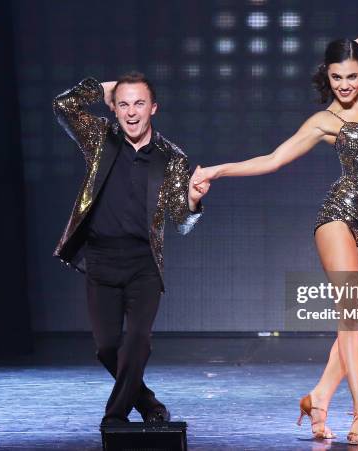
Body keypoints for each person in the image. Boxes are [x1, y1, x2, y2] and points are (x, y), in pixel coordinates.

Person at [193, 28, 358, 444]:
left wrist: (355, 45)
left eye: (351, 75)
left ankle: (318, 397)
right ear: (327, 78)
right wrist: (217, 170)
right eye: (336, 77)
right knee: (351, 314)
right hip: (338, 216)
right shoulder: (324, 121)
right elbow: (274, 159)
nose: (345, 85)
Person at [52, 72, 210, 428]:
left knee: (137, 340)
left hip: (143, 265)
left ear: (154, 108)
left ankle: (115, 416)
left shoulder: (171, 158)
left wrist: (194, 202)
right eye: (123, 104)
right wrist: (105, 88)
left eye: (139, 103)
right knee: (108, 348)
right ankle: (148, 403)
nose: (131, 112)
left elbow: (181, 221)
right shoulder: (100, 139)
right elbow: (63, 106)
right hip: (101, 261)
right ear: (115, 108)